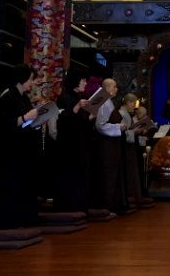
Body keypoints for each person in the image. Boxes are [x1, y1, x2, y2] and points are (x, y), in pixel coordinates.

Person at [0, 64, 41, 229]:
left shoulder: (23, 97)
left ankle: (23, 219)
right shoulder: (8, 96)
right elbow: (1, 125)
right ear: (22, 79)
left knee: (24, 185)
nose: (32, 83)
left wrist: (35, 121)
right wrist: (25, 118)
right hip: (10, 152)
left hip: (23, 149)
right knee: (11, 186)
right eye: (30, 79)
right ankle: (9, 221)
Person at [91, 78, 134, 215]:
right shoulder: (103, 102)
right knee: (108, 173)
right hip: (106, 144)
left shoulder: (109, 102)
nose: (116, 89)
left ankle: (115, 203)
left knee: (114, 172)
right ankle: (106, 206)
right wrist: (118, 127)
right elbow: (100, 126)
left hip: (113, 143)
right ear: (108, 88)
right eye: (114, 87)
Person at [55, 68, 94, 213]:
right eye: (83, 80)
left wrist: (92, 114)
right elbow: (64, 120)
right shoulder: (65, 97)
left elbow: (82, 121)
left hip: (80, 144)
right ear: (75, 82)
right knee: (70, 176)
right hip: (69, 146)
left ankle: (80, 205)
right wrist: (77, 108)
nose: (85, 83)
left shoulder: (77, 97)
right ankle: (68, 206)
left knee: (80, 175)